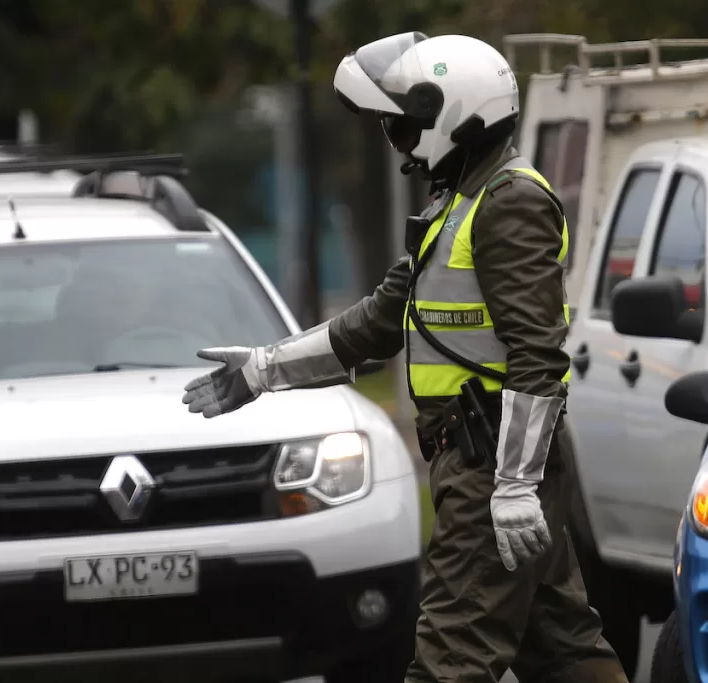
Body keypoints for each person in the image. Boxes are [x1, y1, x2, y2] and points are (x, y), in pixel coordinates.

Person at [182, 31, 628, 683]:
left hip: (491, 464)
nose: (399, 143)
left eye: (402, 126)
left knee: (450, 659)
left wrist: (513, 484)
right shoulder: (459, 207)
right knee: (563, 650)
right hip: (488, 464)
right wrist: (261, 369)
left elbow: (538, 355)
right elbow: (377, 322)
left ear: (449, 113)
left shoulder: (509, 204)